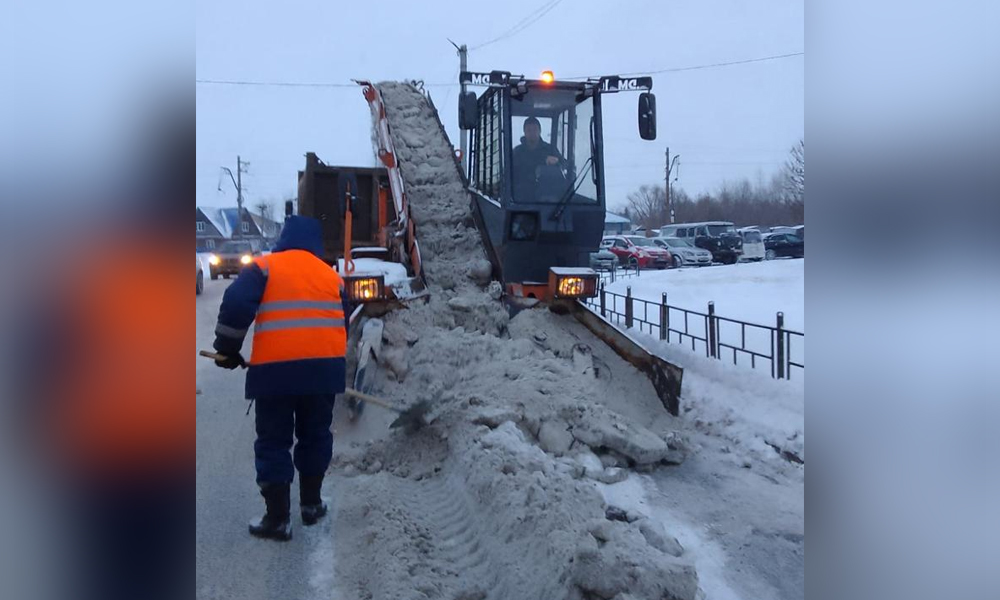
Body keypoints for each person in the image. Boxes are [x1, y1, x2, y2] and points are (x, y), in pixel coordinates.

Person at [212, 215, 348, 541]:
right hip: (323, 373)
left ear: (284, 238)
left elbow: (235, 302)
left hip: (276, 373)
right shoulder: (332, 276)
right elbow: (344, 320)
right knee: (315, 435)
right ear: (316, 242)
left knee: (274, 440)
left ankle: (278, 519)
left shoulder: (265, 267)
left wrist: (228, 349)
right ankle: (312, 506)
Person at [512, 116, 565, 201]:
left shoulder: (550, 149)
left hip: (546, 197)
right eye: (529, 130)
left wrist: (556, 161)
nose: (532, 133)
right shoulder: (517, 152)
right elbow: (509, 173)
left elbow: (564, 164)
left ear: (540, 131)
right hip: (521, 200)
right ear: (524, 132)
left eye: (535, 129)